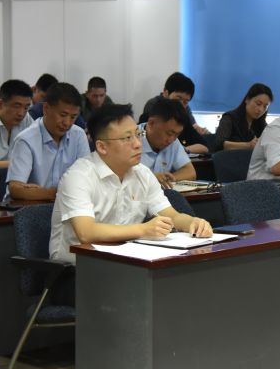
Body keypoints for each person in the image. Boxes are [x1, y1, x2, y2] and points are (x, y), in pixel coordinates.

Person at [49, 103, 212, 268]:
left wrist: (193, 222)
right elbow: (86, 232)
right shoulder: (78, 176)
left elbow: (172, 216)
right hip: (76, 269)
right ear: (102, 147)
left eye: (138, 134)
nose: (138, 144)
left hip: (125, 262)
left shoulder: (142, 173)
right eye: (127, 138)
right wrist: (143, 230)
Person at [6, 82, 90, 201]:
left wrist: (42, 192)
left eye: (73, 117)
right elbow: (16, 189)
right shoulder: (26, 140)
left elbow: (87, 180)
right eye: (63, 115)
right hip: (29, 208)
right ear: (46, 108)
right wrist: (59, 193)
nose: (67, 123)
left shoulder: (78, 135)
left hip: (67, 206)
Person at [140, 72, 208, 154]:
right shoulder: (153, 108)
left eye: (186, 102)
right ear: (165, 93)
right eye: (178, 99)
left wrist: (181, 151)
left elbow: (204, 146)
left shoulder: (182, 115)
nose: (181, 105)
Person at [139, 98, 196, 188]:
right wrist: (151, 179)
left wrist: (166, 179)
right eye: (169, 133)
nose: (171, 140)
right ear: (151, 123)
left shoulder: (173, 141)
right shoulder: (129, 139)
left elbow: (190, 172)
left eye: (177, 134)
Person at [212, 83, 273, 152]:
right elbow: (219, 144)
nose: (261, 109)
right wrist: (248, 145)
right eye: (258, 104)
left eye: (265, 106)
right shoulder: (229, 118)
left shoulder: (261, 123)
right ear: (247, 99)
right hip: (230, 157)